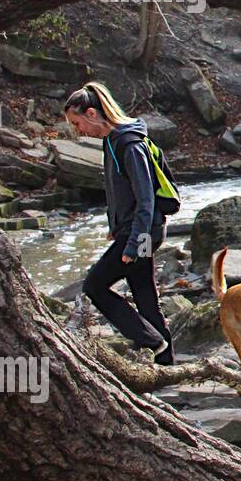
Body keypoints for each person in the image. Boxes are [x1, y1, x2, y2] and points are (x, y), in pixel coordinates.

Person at [64, 82, 174, 365]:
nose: (78, 130)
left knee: (94, 286)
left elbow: (146, 199)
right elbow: (121, 191)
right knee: (145, 295)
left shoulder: (129, 144)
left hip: (144, 233)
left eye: (77, 123)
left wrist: (134, 242)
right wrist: (116, 226)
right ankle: (165, 361)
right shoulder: (112, 141)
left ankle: (152, 341)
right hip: (136, 229)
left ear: (91, 113)